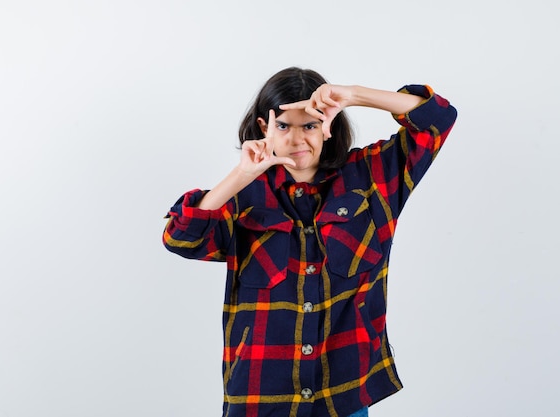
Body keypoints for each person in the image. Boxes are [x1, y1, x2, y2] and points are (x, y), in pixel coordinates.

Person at [162, 67, 457, 417]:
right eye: (284, 126)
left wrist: (352, 95)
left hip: (343, 396)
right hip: (262, 398)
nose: (298, 139)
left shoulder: (370, 178)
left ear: (328, 126)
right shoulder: (244, 196)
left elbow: (438, 118)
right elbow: (180, 237)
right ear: (264, 128)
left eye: (311, 125)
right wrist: (241, 174)